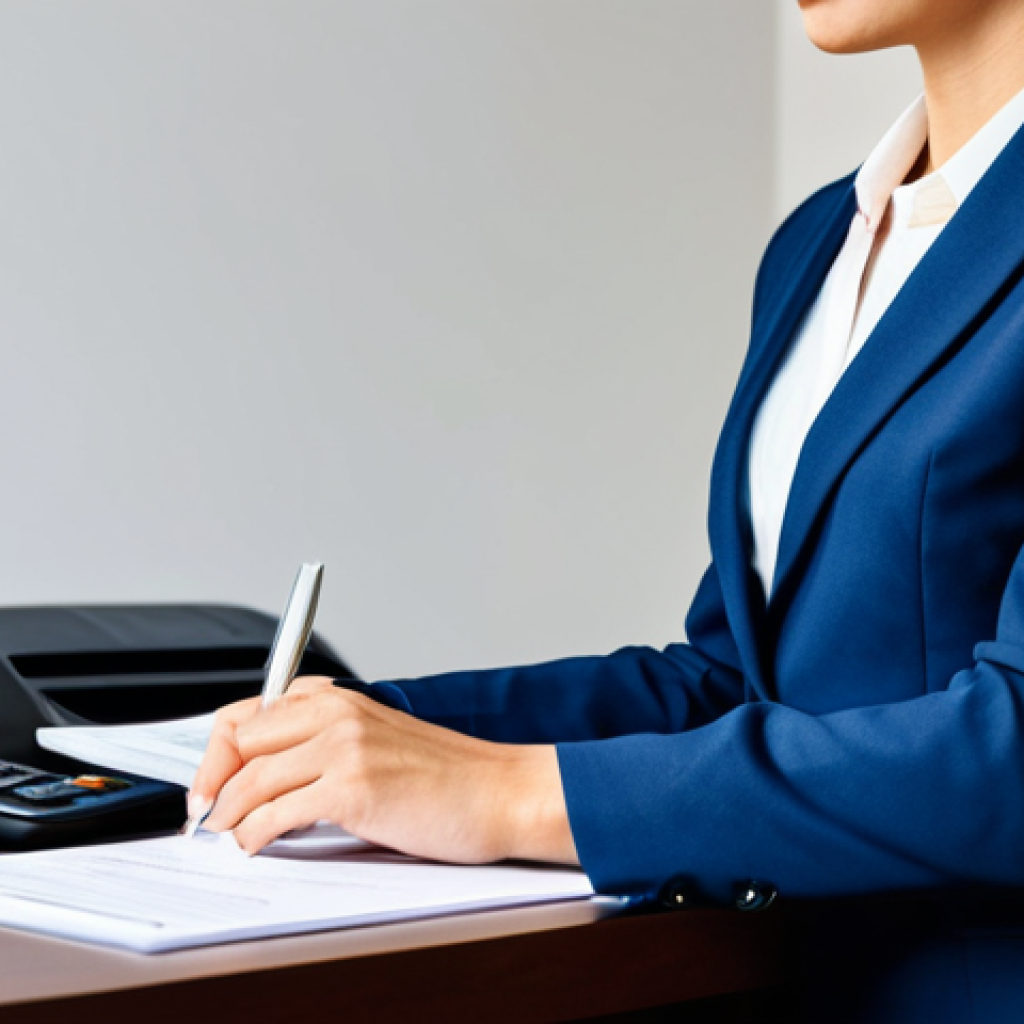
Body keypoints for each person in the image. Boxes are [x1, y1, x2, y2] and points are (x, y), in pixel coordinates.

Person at [191, 1, 1024, 1019]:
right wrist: (376, 732)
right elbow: (735, 682)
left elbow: (1010, 749)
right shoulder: (819, 243)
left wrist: (509, 793)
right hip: (759, 974)